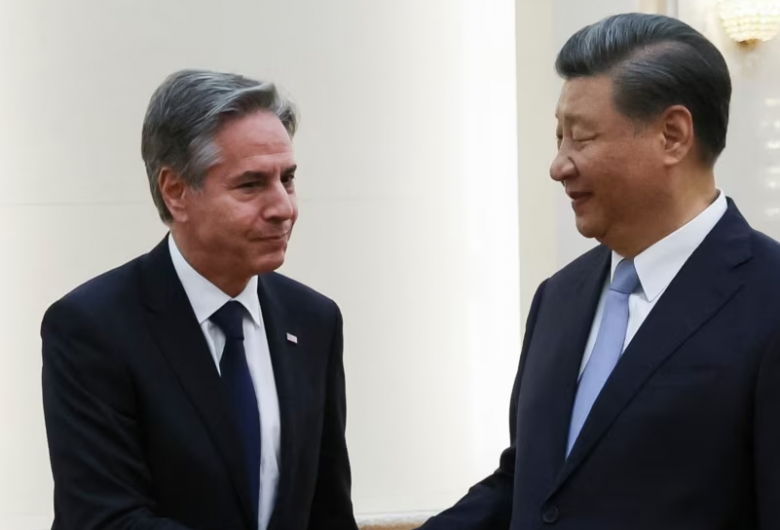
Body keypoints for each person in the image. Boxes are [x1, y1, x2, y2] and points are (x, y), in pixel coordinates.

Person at [417, 13, 780, 530]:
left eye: (581, 138)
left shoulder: (768, 299)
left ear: (673, 135)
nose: (558, 166)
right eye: (558, 138)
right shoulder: (558, 297)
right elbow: (531, 484)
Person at [41, 69, 359, 530]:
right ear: (175, 192)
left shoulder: (313, 321)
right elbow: (104, 518)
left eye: (287, 179)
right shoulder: (92, 328)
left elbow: (327, 512)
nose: (283, 208)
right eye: (251, 185)